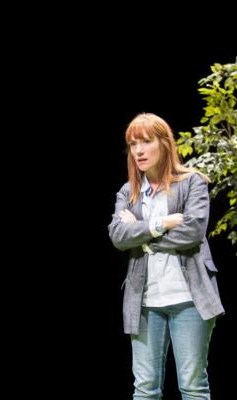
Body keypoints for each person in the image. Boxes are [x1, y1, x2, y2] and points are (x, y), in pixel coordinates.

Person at [108, 112, 225, 399]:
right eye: (133, 144)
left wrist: (142, 237)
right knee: (145, 389)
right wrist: (160, 224)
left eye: (146, 142)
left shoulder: (192, 183)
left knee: (193, 386)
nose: (138, 150)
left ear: (164, 144)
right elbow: (118, 236)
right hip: (145, 302)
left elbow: (192, 233)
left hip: (189, 298)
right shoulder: (129, 192)